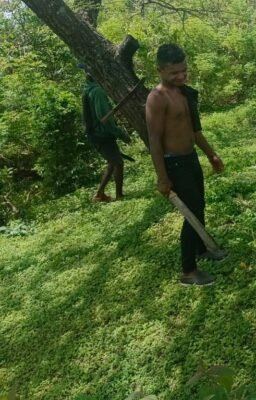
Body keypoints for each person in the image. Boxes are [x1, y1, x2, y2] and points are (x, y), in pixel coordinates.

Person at [145, 43, 225, 287]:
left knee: (199, 206)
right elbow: (155, 141)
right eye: (174, 73)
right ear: (159, 70)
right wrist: (162, 177)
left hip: (190, 158)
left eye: (184, 71)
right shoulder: (157, 98)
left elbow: (194, 131)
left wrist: (211, 155)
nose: (180, 76)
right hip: (174, 164)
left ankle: (201, 249)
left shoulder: (184, 93)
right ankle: (188, 271)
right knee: (191, 213)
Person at [81, 66, 130, 202]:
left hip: (98, 135)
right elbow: (105, 118)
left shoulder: (89, 89)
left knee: (112, 162)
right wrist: (121, 134)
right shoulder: (97, 91)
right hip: (101, 135)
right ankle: (119, 195)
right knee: (118, 163)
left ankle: (99, 194)